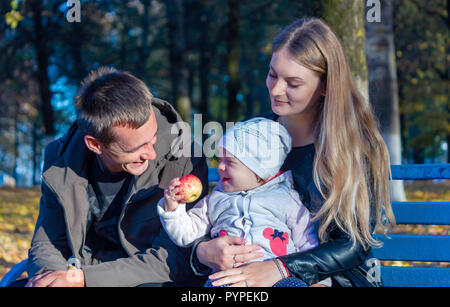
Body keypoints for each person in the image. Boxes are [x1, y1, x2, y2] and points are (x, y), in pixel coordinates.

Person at [191, 17, 395, 287]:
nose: (276, 89)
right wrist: (202, 251)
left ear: (325, 86)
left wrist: (280, 267)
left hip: (339, 279)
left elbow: (352, 245)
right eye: (273, 74)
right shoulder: (256, 139)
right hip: (251, 275)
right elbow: (224, 207)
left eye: (293, 83)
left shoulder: (353, 147)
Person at [25, 67, 209, 287]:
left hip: (150, 279)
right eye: (137, 148)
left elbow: (173, 259)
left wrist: (82, 279)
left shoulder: (185, 157)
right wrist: (50, 278)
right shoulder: (60, 161)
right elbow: (48, 241)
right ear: (95, 144)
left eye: (152, 139)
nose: (151, 153)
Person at [157, 118, 331, 287]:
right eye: (220, 160)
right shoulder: (214, 200)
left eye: (229, 162)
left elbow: (306, 240)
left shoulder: (285, 198)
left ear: (259, 170)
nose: (220, 167)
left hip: (277, 277)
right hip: (230, 278)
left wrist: (320, 281)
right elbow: (187, 233)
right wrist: (173, 208)